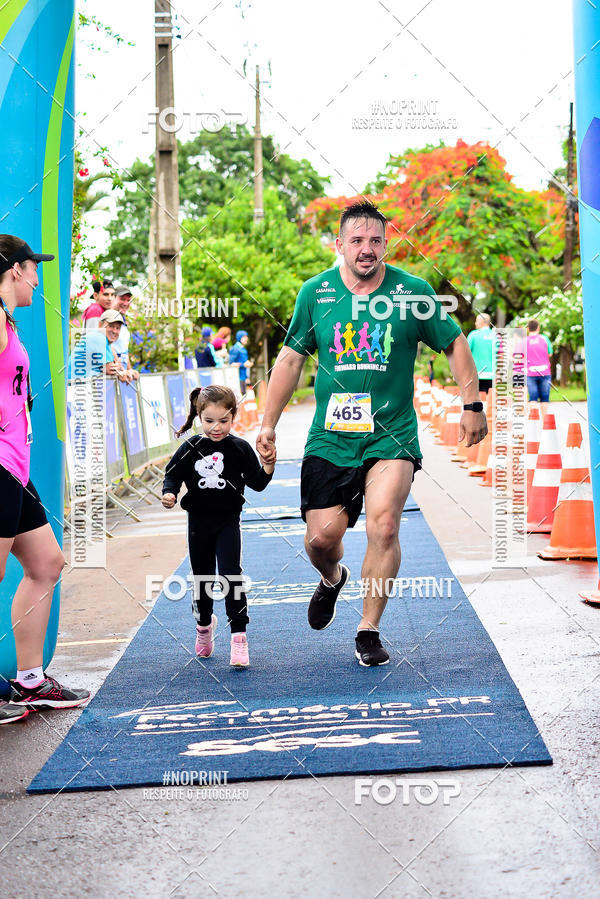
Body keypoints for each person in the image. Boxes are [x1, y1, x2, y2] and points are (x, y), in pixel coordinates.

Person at [256, 201, 486, 666]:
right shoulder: (315, 293)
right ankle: (331, 578)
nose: (366, 249)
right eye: (356, 241)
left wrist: (472, 403)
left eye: (375, 240)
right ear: (338, 245)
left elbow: (455, 342)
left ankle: (368, 629)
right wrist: (266, 423)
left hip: (392, 434)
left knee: (384, 523)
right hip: (332, 437)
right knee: (321, 539)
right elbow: (291, 360)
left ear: (386, 243)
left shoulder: (412, 292)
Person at [0, 234, 90, 723]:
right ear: (15, 269)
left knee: (46, 563)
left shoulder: (7, 318)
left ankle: (31, 680)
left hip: (14, 466)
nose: (38, 278)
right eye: (34, 268)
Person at [161, 385, 275, 668]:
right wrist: (170, 493)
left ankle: (239, 636)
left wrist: (269, 465)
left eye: (224, 420)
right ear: (199, 415)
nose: (216, 427)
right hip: (198, 524)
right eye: (209, 420)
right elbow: (172, 476)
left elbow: (258, 483)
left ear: (233, 416)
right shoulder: (190, 448)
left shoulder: (239, 448)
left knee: (230, 576)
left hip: (227, 522)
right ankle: (203, 627)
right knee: (201, 579)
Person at [67, 309, 132, 381]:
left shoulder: (105, 342)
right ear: (100, 325)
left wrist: (128, 371)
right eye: (110, 326)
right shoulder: (98, 337)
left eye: (118, 328)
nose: (114, 331)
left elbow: (116, 367)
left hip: (78, 385)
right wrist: (124, 374)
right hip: (74, 386)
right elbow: (110, 369)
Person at [111, 285, 139, 380]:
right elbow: (106, 346)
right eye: (122, 299)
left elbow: (123, 350)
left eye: (128, 300)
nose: (125, 303)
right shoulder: (107, 318)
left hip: (122, 376)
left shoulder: (123, 319)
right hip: (110, 375)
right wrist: (120, 370)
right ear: (113, 298)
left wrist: (130, 370)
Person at [525, 319, 552, 412]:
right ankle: (545, 423)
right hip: (545, 372)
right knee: (545, 399)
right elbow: (550, 353)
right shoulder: (545, 338)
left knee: (533, 399)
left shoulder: (524, 341)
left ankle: (533, 424)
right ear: (538, 327)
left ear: (528, 328)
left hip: (531, 373)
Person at [466, 313, 495, 393]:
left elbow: (465, 354)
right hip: (493, 375)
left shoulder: (473, 335)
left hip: (477, 375)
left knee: (478, 401)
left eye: (476, 321)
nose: (475, 323)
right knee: (491, 401)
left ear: (481, 322)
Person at [229, 330, 253, 395]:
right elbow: (231, 364)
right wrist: (244, 365)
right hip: (237, 378)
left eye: (246, 337)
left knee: (244, 397)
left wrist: (246, 377)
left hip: (243, 377)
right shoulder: (235, 349)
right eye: (244, 337)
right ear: (239, 338)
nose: (246, 338)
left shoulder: (243, 349)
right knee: (239, 398)